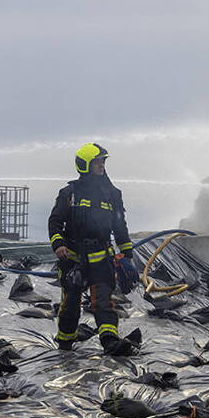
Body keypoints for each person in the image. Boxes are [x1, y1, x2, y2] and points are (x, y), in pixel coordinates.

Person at [48, 143, 141, 355]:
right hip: (73, 259)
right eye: (97, 161)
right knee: (70, 303)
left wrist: (127, 255)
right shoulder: (69, 193)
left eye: (103, 161)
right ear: (85, 165)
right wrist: (58, 244)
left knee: (104, 302)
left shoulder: (112, 194)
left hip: (102, 258)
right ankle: (65, 344)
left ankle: (109, 341)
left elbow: (120, 225)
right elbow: (55, 221)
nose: (102, 165)